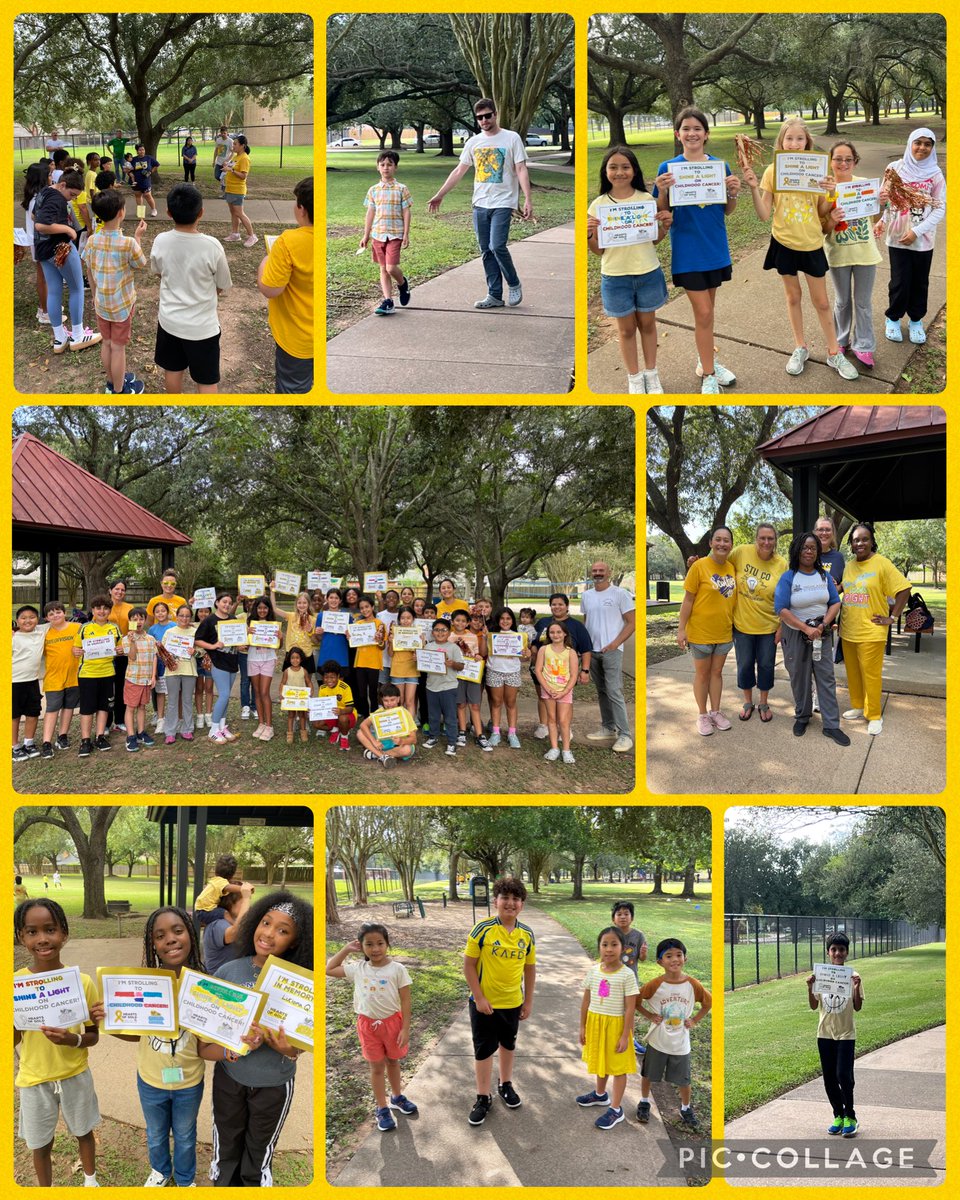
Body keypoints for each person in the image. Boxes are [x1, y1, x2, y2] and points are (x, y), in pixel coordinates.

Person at [90, 907, 208, 1187]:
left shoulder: (203, 985)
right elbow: (137, 1034)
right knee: (155, 1133)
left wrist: (232, 1044)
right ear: (152, 943)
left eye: (178, 931)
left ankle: (184, 1177)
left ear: (191, 935)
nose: (170, 939)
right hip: (150, 1079)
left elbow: (207, 1041)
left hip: (189, 1082)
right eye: (160, 935)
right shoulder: (143, 983)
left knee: (185, 1133)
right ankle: (159, 1171)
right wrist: (110, 1023)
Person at [741, 118, 859, 381]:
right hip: (783, 242)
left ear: (807, 142)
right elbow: (763, 215)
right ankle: (800, 347)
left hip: (811, 243)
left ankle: (833, 352)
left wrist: (830, 194)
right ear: (781, 141)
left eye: (799, 138)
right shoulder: (773, 171)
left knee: (822, 301)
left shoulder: (819, 170)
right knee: (793, 297)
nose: (794, 143)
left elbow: (821, 213)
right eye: (789, 138)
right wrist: (752, 187)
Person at [208, 891, 313, 1187]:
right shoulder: (230, 971)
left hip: (273, 1083)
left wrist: (289, 1049)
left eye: (283, 930)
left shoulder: (302, 983)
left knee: (258, 1150)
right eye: (265, 922)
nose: (269, 934)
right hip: (230, 1077)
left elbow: (303, 1039)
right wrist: (229, 1049)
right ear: (254, 922)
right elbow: (211, 1030)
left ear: (295, 941)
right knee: (227, 1143)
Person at [653, 106, 741, 393]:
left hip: (715, 249)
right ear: (678, 134)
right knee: (703, 313)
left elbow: (728, 211)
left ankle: (705, 362)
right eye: (686, 128)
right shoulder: (667, 169)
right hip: (687, 252)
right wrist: (662, 190)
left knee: (708, 314)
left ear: (707, 134)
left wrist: (733, 192)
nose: (692, 133)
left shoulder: (720, 166)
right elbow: (662, 212)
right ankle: (709, 374)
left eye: (697, 128)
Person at [15, 898, 101, 1187]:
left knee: (84, 1132)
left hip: (75, 1074)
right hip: (34, 1078)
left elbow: (92, 1036)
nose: (42, 939)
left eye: (50, 929)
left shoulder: (83, 983)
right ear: (21, 937)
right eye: (32, 932)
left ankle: (90, 1182)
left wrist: (71, 1039)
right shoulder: (14, 985)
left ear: (64, 932)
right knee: (40, 1143)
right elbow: (13, 1040)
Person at [427, 98, 532, 310]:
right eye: (479, 117)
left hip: (504, 201)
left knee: (497, 245)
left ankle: (513, 282)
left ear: (495, 114)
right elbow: (459, 171)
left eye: (487, 116)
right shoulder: (473, 143)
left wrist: (527, 198)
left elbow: (520, 168)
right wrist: (440, 194)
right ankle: (494, 295)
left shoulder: (511, 138)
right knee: (486, 250)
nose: (484, 120)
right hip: (480, 203)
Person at [587, 146, 672, 393]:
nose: (619, 172)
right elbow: (598, 250)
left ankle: (651, 374)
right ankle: (634, 377)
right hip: (615, 277)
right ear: (605, 172)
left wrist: (664, 226)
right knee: (625, 330)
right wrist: (588, 234)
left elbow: (654, 239)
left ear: (634, 170)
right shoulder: (598, 205)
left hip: (647, 272)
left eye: (625, 167)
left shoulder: (646, 201)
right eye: (613, 167)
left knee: (648, 325)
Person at [326, 923, 417, 1133]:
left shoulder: (398, 970)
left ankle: (397, 1097)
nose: (375, 949)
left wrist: (405, 1028)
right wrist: (346, 949)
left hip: (393, 1024)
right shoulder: (358, 969)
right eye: (369, 944)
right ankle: (382, 1108)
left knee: (393, 1061)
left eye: (380, 943)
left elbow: (405, 1002)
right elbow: (329, 969)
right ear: (362, 946)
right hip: (368, 1026)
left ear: (387, 944)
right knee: (376, 1067)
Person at [463, 877, 536, 1127]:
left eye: (516, 899)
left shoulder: (526, 934)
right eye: (505, 897)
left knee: (508, 1045)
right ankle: (483, 1097)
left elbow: (530, 968)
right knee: (484, 1050)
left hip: (512, 1003)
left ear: (522, 905)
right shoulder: (482, 929)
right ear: (495, 901)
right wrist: (480, 997)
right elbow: (469, 966)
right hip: (484, 1004)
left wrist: (528, 1001)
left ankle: (505, 1085)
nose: (510, 903)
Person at [150, 183, 232, 394]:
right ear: (201, 213)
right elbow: (222, 284)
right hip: (202, 328)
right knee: (206, 380)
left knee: (172, 369)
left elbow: (159, 271)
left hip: (169, 322)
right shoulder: (212, 246)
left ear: (168, 213)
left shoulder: (161, 240)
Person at [774, 532, 849, 746]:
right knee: (799, 676)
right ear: (797, 550)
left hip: (822, 634)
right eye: (805, 547)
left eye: (813, 548)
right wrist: (806, 628)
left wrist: (823, 624)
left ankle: (831, 725)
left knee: (826, 677)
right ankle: (802, 716)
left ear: (818, 552)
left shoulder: (824, 576)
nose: (809, 551)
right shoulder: (789, 577)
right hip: (796, 634)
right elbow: (782, 609)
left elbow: (835, 602)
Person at [839, 523, 911, 736]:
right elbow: (847, 587)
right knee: (853, 673)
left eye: (864, 539)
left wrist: (892, 617)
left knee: (871, 675)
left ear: (871, 542)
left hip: (871, 630)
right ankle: (858, 706)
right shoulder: (849, 566)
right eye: (855, 540)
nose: (860, 543)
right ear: (851, 545)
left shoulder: (882, 564)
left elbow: (904, 588)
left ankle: (874, 715)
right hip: (848, 629)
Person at [876, 128, 945, 345]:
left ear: (932, 148)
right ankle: (893, 318)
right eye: (918, 142)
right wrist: (882, 218)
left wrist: (917, 231)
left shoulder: (935, 174)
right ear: (909, 143)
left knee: (919, 282)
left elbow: (940, 208)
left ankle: (916, 321)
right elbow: (885, 202)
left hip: (923, 241)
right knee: (899, 281)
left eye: (927, 144)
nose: (922, 148)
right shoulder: (895, 169)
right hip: (897, 237)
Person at [636, 937, 711, 1129]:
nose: (674, 959)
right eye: (668, 956)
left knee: (684, 1079)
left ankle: (686, 1108)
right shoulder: (655, 984)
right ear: (660, 962)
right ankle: (644, 1101)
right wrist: (649, 1015)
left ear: (685, 958)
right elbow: (636, 1000)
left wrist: (694, 1019)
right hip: (658, 1041)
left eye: (679, 954)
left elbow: (708, 1002)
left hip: (680, 1043)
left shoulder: (693, 984)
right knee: (648, 1075)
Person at [823, 141, 883, 368]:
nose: (843, 163)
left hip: (865, 253)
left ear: (855, 162)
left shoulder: (865, 186)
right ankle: (840, 341)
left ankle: (864, 345)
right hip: (838, 254)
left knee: (863, 303)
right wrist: (832, 218)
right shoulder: (825, 189)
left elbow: (875, 219)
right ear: (830, 161)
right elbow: (823, 229)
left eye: (848, 159)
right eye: (838, 158)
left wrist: (882, 204)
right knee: (842, 301)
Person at [83, 188, 148, 395]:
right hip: (121, 306)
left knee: (108, 343)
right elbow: (140, 263)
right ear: (121, 212)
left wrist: (94, 295)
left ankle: (112, 382)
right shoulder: (127, 243)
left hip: (101, 303)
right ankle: (120, 391)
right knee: (118, 347)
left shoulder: (92, 240)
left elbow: (89, 270)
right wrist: (138, 237)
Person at [32, 168, 102, 352]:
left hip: (43, 251)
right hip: (60, 249)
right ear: (62, 185)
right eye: (71, 194)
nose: (71, 199)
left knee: (54, 291)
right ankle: (78, 336)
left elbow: (34, 216)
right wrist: (67, 230)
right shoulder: (57, 198)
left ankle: (59, 339)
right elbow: (40, 225)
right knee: (77, 288)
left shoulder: (44, 192)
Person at [576, 925, 638, 1129]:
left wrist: (624, 1035)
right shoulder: (593, 972)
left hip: (616, 1026)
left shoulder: (627, 975)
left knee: (618, 1068)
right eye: (604, 944)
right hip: (596, 1024)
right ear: (599, 947)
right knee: (601, 1061)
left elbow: (630, 1009)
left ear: (622, 948)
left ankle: (616, 1109)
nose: (609, 949)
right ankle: (600, 1095)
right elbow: (586, 1002)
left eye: (614, 944)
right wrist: (583, 1027)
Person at [676, 529, 736, 736]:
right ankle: (702, 715)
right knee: (702, 674)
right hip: (701, 633)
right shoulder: (699, 567)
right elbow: (688, 600)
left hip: (724, 632)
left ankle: (715, 712)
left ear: (731, 545)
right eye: (718, 540)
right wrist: (681, 629)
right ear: (710, 543)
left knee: (717, 673)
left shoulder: (732, 568)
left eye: (726, 541)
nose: (722, 544)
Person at [257, 176, 313, 392]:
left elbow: (270, 289)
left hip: (297, 339)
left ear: (301, 208)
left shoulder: (288, 241)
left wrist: (266, 261)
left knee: (293, 390)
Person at [806, 931, 863, 1138]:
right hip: (824, 1034)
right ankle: (838, 1115)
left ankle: (851, 1116)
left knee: (843, 1075)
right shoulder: (821, 976)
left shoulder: (853, 976)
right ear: (828, 952)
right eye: (834, 949)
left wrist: (856, 987)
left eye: (841, 950)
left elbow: (857, 1007)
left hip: (846, 1034)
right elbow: (814, 1006)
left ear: (847, 952)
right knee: (829, 1077)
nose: (837, 953)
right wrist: (810, 987)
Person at [728, 524, 787, 724]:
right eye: (762, 538)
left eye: (770, 538)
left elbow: (786, 598)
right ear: (756, 538)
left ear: (775, 541)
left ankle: (763, 702)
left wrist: (782, 627)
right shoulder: (741, 553)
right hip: (742, 625)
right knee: (744, 665)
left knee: (766, 665)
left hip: (768, 627)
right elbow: (718, 564)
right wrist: (697, 563)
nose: (766, 542)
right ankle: (747, 702)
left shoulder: (781, 564)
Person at [582, 561, 635, 752]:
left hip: (611, 650)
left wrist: (615, 643)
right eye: (594, 570)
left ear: (609, 572)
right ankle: (608, 727)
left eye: (601, 570)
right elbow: (587, 621)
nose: (597, 573)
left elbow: (632, 622)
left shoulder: (620, 594)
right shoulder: (586, 595)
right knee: (602, 690)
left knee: (614, 691)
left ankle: (625, 735)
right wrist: (584, 646)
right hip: (592, 651)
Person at [530, 593, 593, 739]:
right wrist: (533, 648)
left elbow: (585, 649)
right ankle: (544, 725)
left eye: (560, 604)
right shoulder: (543, 623)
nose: (557, 607)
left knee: (565, 698)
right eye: (553, 604)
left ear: (567, 606)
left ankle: (564, 727)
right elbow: (535, 641)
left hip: (564, 672)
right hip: (542, 669)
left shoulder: (576, 626)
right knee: (543, 696)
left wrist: (585, 670)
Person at [360, 151, 411, 316]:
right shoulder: (373, 190)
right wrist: (366, 235)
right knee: (383, 268)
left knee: (391, 267)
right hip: (378, 234)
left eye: (389, 164)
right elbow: (370, 213)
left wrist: (406, 234)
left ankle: (402, 284)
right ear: (377, 167)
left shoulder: (401, 189)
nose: (385, 168)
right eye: (382, 165)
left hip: (395, 234)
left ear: (395, 167)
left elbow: (406, 212)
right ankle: (388, 301)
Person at [72, 595, 121, 757]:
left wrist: (121, 650)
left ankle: (100, 736)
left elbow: (120, 648)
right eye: (98, 608)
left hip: (107, 672)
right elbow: (75, 648)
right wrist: (76, 651)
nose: (102, 611)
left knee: (104, 706)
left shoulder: (114, 628)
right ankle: (85, 740)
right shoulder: (84, 628)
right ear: (92, 610)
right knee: (86, 708)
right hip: (88, 673)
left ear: (109, 610)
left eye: (105, 608)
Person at [194, 592, 241, 744]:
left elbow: (237, 639)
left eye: (229, 602)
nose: (227, 604)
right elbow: (198, 640)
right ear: (217, 603)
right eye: (224, 602)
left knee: (225, 697)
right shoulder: (209, 620)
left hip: (233, 661)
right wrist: (213, 646)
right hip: (218, 662)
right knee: (225, 695)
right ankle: (213, 730)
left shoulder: (234, 619)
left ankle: (222, 726)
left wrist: (241, 644)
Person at [39, 600, 81, 757]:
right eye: (51, 614)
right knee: (52, 709)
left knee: (69, 707)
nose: (55, 615)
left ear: (65, 613)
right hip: (53, 677)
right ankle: (46, 742)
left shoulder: (77, 628)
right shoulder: (43, 634)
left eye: (58, 612)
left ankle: (62, 736)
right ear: (46, 618)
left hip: (73, 676)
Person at [485, 607, 531, 748]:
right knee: (496, 703)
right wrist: (484, 636)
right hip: (494, 671)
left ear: (512, 620)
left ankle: (512, 733)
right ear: (498, 620)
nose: (505, 621)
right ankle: (496, 732)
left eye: (508, 618)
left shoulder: (519, 636)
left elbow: (523, 658)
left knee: (511, 703)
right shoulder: (490, 635)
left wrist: (527, 654)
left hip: (512, 672)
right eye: (502, 618)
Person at [534, 620, 577, 764]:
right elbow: (538, 670)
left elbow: (573, 674)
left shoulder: (570, 652)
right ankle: (554, 748)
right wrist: (547, 688)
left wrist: (564, 691)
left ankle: (566, 750)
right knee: (551, 720)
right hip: (548, 690)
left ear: (565, 633)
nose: (555, 635)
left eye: (559, 632)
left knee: (563, 721)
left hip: (564, 691)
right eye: (552, 632)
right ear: (548, 634)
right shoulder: (543, 650)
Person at [422, 618, 464, 755]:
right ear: (433, 632)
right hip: (431, 687)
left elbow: (461, 666)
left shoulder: (454, 648)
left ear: (449, 632)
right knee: (433, 715)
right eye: (437, 630)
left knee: (450, 716)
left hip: (448, 687)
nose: (440, 633)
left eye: (443, 630)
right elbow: (423, 666)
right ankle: (433, 736)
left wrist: (453, 664)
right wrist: (419, 659)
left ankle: (452, 742)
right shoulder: (428, 647)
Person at [22, 163, 55, 325]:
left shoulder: (36, 195)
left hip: (38, 241)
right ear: (42, 178)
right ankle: (45, 312)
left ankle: (45, 306)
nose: (51, 177)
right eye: (49, 175)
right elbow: (40, 221)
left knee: (45, 277)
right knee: (43, 278)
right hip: (39, 241)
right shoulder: (38, 199)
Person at [121, 607, 158, 752]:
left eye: (141, 619)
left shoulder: (150, 639)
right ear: (130, 621)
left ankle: (141, 732)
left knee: (142, 707)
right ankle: (131, 736)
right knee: (130, 708)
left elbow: (154, 657)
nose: (138, 622)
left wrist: (153, 676)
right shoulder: (126, 639)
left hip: (146, 679)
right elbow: (132, 657)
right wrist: (132, 642)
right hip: (133, 679)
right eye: (134, 619)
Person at [13, 604, 47, 761]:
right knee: (14, 716)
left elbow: (58, 621)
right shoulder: (12, 637)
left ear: (37, 620)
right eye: (23, 618)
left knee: (33, 712)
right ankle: (14, 746)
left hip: (32, 681)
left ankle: (29, 743)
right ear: (17, 621)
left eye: (32, 617)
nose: (28, 621)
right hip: (13, 682)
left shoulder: (41, 631)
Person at [160, 604, 198, 744]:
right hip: (172, 671)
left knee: (187, 701)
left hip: (189, 670)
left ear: (190, 617)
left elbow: (201, 651)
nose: (184, 618)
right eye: (181, 615)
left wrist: (195, 652)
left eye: (187, 616)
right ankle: (170, 731)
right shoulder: (169, 632)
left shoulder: (195, 631)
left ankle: (187, 729)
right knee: (172, 702)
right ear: (177, 616)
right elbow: (162, 652)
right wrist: (169, 659)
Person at [357, 683, 417, 768]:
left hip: (398, 745)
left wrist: (401, 741)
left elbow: (414, 739)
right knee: (360, 733)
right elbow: (363, 725)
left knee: (407, 749)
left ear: (398, 699)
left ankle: (377, 755)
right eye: (386, 700)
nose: (389, 704)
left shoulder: (405, 713)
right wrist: (374, 741)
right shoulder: (380, 712)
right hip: (382, 743)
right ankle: (382, 756)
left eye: (392, 700)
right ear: (382, 700)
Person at [203, 884, 254, 975]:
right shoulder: (217, 925)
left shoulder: (232, 921)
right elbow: (236, 932)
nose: (248, 906)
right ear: (230, 903)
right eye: (243, 903)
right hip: (218, 984)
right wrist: (246, 898)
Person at [350, 595, 386, 721]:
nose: (365, 610)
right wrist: (350, 638)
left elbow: (382, 647)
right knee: (362, 693)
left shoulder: (379, 624)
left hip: (374, 663)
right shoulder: (357, 624)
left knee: (372, 692)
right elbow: (354, 645)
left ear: (372, 607)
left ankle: (374, 715)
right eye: (362, 608)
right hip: (360, 663)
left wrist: (380, 640)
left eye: (367, 607)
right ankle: (366, 716)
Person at [193, 854, 250, 932]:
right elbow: (228, 887)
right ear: (232, 875)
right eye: (242, 902)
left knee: (220, 913)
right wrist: (244, 889)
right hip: (204, 911)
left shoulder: (215, 880)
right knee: (225, 913)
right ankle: (236, 926)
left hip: (201, 909)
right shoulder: (221, 883)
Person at [222, 134, 257, 248]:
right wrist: (227, 165)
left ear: (242, 145)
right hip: (230, 188)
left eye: (235, 144)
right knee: (233, 213)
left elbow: (243, 176)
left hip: (237, 190)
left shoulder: (245, 158)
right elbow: (231, 168)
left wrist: (231, 170)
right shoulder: (236, 157)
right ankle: (235, 234)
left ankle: (252, 236)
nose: (233, 145)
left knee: (240, 213)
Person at [313, 659, 356, 750]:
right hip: (330, 714)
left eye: (332, 677)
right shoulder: (322, 688)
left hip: (345, 714)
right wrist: (314, 710)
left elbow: (350, 708)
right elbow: (321, 706)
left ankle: (344, 737)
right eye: (326, 677)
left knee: (342, 718)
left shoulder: (345, 688)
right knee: (316, 723)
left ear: (338, 676)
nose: (329, 680)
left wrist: (341, 711)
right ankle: (335, 730)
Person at [388, 606, 421, 720]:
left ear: (413, 619)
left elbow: (421, 655)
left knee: (410, 701)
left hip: (412, 670)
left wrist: (420, 645)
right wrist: (391, 642)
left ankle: (410, 727)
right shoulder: (394, 631)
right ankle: (399, 726)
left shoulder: (418, 632)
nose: (405, 620)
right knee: (400, 700)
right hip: (397, 670)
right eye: (402, 618)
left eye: (408, 618)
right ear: (399, 619)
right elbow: (390, 654)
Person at [280, 647, 312, 744]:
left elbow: (309, 682)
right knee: (291, 715)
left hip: (301, 698)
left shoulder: (304, 671)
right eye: (292, 658)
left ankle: (303, 732)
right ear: (289, 659)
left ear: (301, 659)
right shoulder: (287, 671)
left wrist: (310, 693)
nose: (295, 660)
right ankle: (290, 733)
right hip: (291, 698)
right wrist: (282, 694)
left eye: (297, 658)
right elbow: (282, 683)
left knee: (303, 715)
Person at [130, 143, 160, 217]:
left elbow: (157, 165)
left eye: (143, 149)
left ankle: (153, 209)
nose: (142, 151)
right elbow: (129, 168)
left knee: (147, 195)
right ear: (137, 151)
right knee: (138, 195)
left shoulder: (149, 158)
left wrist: (151, 172)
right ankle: (140, 213)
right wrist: (129, 173)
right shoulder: (133, 159)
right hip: (136, 181)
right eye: (140, 150)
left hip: (145, 181)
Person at [212, 126, 233, 194]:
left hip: (226, 164)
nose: (223, 134)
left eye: (225, 133)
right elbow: (216, 151)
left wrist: (227, 161)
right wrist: (213, 161)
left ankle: (225, 191)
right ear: (220, 133)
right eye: (222, 133)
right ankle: (224, 185)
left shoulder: (230, 141)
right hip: (219, 162)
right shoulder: (218, 140)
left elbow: (233, 152)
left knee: (224, 178)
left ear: (227, 133)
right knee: (217, 176)